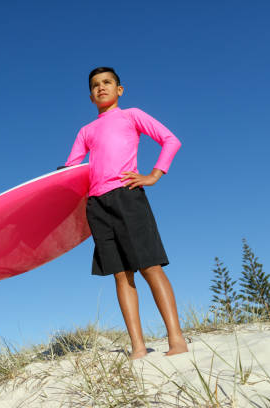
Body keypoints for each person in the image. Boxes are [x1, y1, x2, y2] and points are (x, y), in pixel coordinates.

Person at [64, 67, 188, 359]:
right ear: (90, 95)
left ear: (120, 89)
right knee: (121, 275)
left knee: (150, 267)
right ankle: (138, 347)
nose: (101, 88)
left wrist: (154, 175)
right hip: (97, 205)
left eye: (107, 83)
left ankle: (176, 339)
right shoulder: (86, 131)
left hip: (127, 196)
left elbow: (171, 140)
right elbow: (71, 171)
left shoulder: (131, 115)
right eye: (95, 85)